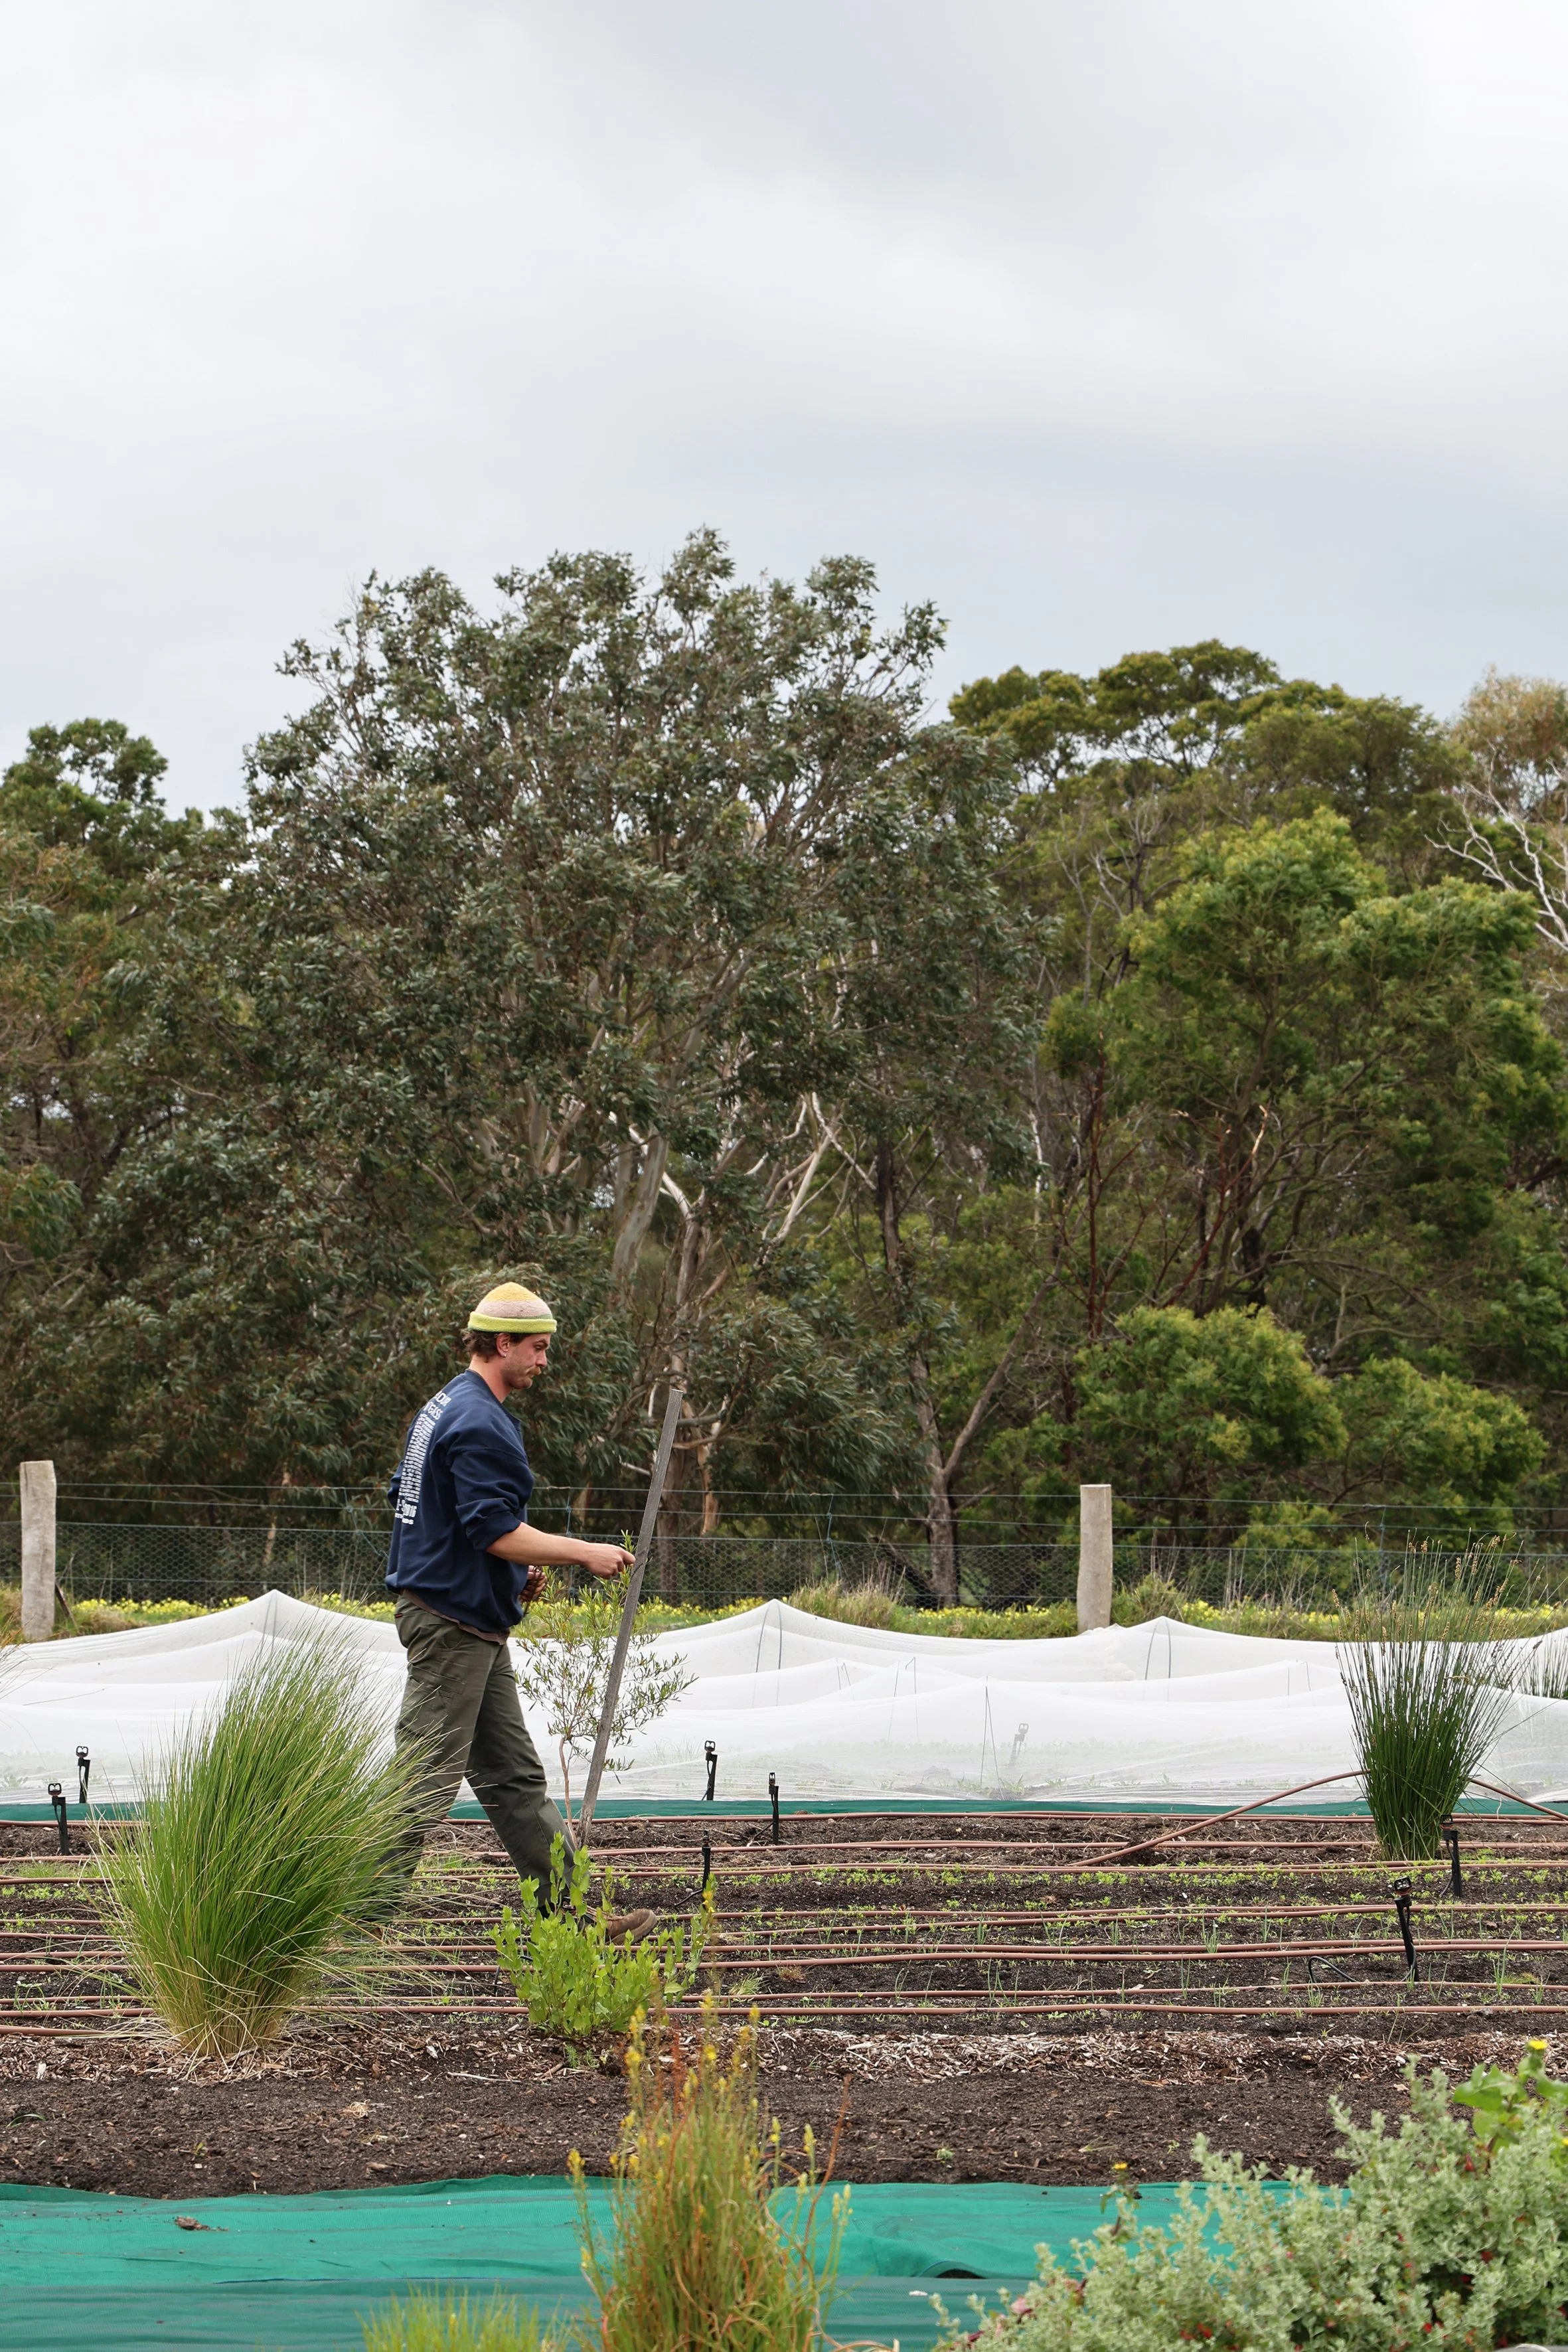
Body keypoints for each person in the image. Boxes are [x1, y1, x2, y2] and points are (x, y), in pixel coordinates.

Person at [383, 1280, 651, 1939]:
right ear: (499, 1343)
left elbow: (420, 1500)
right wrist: (581, 1552)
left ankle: (570, 1919)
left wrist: (513, 1563)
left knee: (514, 1778)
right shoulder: (480, 1421)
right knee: (420, 1783)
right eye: (535, 1347)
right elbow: (492, 1528)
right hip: (452, 1625)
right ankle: (343, 1918)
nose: (543, 1360)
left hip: (464, 1620)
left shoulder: (443, 1405)